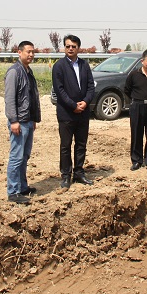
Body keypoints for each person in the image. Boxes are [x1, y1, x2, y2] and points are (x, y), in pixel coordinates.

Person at [52, 34, 95, 189]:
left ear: (78, 48)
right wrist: (73, 105)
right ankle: (65, 175)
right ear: (64, 47)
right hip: (66, 113)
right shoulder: (59, 66)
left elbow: (91, 86)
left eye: (73, 46)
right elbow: (59, 90)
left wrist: (85, 102)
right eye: (68, 46)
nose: (70, 49)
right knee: (66, 145)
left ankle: (79, 172)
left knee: (81, 144)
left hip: (83, 113)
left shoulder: (84, 65)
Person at [4, 41, 42, 204]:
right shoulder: (14, 72)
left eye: (33, 52)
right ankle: (13, 192)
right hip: (19, 122)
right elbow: (10, 98)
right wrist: (14, 120)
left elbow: (31, 97)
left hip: (28, 120)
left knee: (24, 156)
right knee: (16, 157)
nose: (31, 54)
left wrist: (33, 118)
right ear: (19, 52)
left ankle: (22, 186)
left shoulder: (28, 71)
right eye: (28, 51)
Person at [124, 49, 147, 174]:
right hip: (137, 106)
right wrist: (136, 100)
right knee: (136, 133)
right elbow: (127, 89)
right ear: (142, 61)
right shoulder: (134, 75)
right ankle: (136, 160)